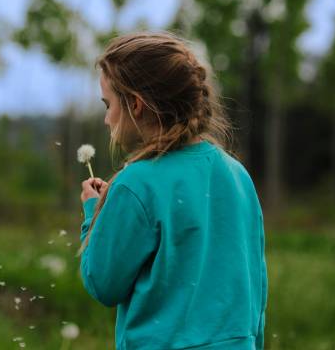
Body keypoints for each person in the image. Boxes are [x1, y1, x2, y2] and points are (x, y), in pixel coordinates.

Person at [78, 32, 268, 349]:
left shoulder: (136, 183)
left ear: (135, 105)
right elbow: (255, 286)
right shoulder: (237, 175)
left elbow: (103, 281)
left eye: (108, 104)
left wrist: (93, 213)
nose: (106, 118)